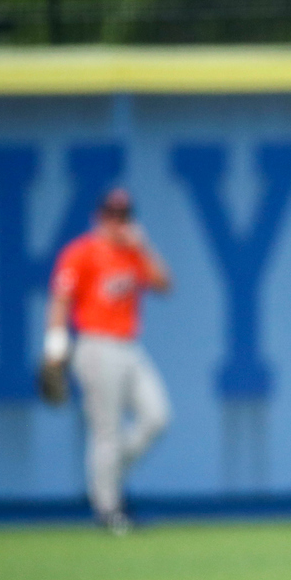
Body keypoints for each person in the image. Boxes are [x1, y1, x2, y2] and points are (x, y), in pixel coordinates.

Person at [43, 188, 172, 535]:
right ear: (99, 217)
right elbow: (60, 298)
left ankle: (106, 479)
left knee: (157, 417)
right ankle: (108, 508)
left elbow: (165, 284)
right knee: (107, 430)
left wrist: (143, 246)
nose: (118, 221)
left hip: (129, 345)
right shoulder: (81, 252)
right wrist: (55, 346)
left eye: (125, 215)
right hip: (95, 345)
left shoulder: (132, 252)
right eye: (112, 215)